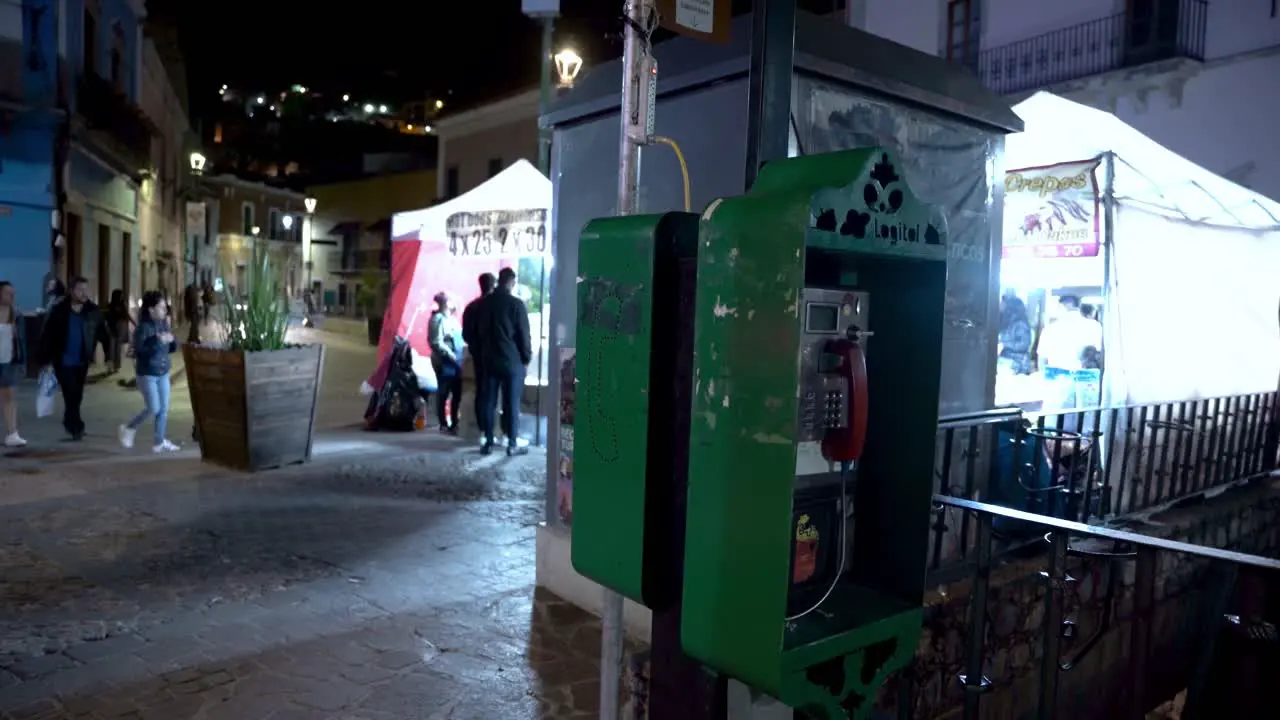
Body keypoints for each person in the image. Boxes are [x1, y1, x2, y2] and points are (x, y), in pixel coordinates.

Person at [39, 277, 110, 441]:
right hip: (63, 360)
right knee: (70, 392)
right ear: (71, 291)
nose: (84, 293)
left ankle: (71, 421)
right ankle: (75, 426)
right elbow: (48, 336)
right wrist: (45, 360)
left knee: (77, 394)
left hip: (82, 359)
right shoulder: (59, 311)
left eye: (86, 290)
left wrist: (108, 355)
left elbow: (103, 334)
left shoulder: (92, 311)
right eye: (80, 290)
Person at [477, 267, 532, 456]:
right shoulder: (516, 305)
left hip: (489, 359)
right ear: (511, 282)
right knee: (511, 403)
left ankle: (488, 442)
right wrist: (526, 358)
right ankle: (512, 444)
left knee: (489, 402)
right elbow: (524, 335)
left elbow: (478, 332)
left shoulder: (484, 304)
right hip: (511, 360)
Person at [119, 291, 180, 453]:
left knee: (164, 410)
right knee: (154, 408)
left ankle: (159, 442)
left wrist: (173, 340)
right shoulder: (143, 328)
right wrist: (157, 341)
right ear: (151, 310)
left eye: (165, 307)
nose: (165, 310)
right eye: (161, 307)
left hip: (163, 372)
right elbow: (140, 351)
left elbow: (172, 347)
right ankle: (129, 428)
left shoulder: (163, 324)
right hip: (148, 374)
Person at [462, 273, 497, 439]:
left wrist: (475, 347)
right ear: (493, 284)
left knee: (482, 391)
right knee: (493, 393)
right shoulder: (494, 306)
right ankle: (491, 429)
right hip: (496, 354)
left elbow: (466, 334)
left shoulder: (472, 307)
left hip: (478, 355)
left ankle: (483, 429)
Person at [428, 292, 464, 434]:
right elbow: (436, 342)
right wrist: (451, 355)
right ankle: (443, 423)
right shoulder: (437, 319)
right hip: (444, 361)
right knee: (443, 392)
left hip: (456, 360)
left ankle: (454, 422)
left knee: (457, 392)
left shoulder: (452, 319)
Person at [1038, 294, 1103, 371]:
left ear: (1063, 305)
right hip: (1087, 378)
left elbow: (1042, 360)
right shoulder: (1095, 326)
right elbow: (1101, 355)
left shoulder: (1049, 329)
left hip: (1056, 378)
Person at [0, 282, 27, 447]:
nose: (11, 296)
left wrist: (22, 362)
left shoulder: (16, 315)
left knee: (9, 395)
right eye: (7, 293)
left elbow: (21, 341)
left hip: (8, 361)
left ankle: (12, 432)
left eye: (13, 293)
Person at [104, 289, 133, 374]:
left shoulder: (122, 305)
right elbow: (108, 317)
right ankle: (110, 367)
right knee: (111, 348)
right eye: (120, 295)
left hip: (120, 328)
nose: (122, 296)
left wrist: (133, 323)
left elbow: (127, 315)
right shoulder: (110, 305)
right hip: (113, 328)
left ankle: (116, 366)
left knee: (117, 348)